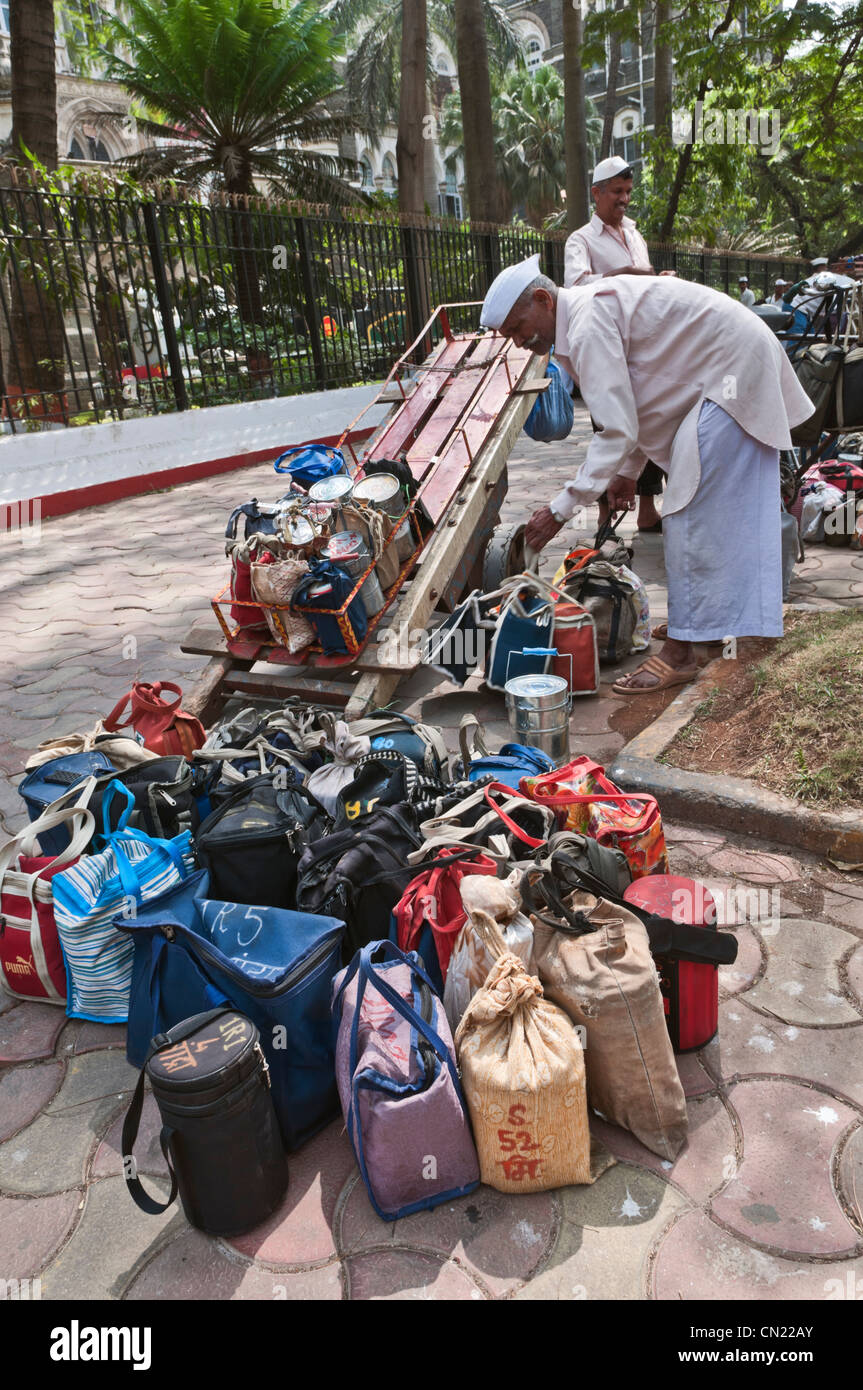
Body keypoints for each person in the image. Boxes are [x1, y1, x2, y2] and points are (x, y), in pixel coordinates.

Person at [479, 255, 814, 693]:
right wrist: (627, 473)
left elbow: (618, 428)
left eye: (518, 328)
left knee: (689, 513)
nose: (518, 341)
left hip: (733, 372)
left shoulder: (585, 323)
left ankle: (681, 653)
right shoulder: (583, 318)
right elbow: (633, 404)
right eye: (509, 336)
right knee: (707, 516)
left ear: (543, 300)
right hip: (730, 367)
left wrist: (560, 509)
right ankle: (702, 628)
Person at [564, 155, 670, 534]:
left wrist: (659, 280)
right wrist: (624, 274)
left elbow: (644, 283)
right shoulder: (581, 240)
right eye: (616, 192)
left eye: (627, 192)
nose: (623, 199)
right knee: (609, 427)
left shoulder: (635, 234)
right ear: (596, 193)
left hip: (645, 346)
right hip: (606, 349)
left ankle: (647, 509)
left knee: (653, 422)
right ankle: (605, 519)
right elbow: (575, 288)